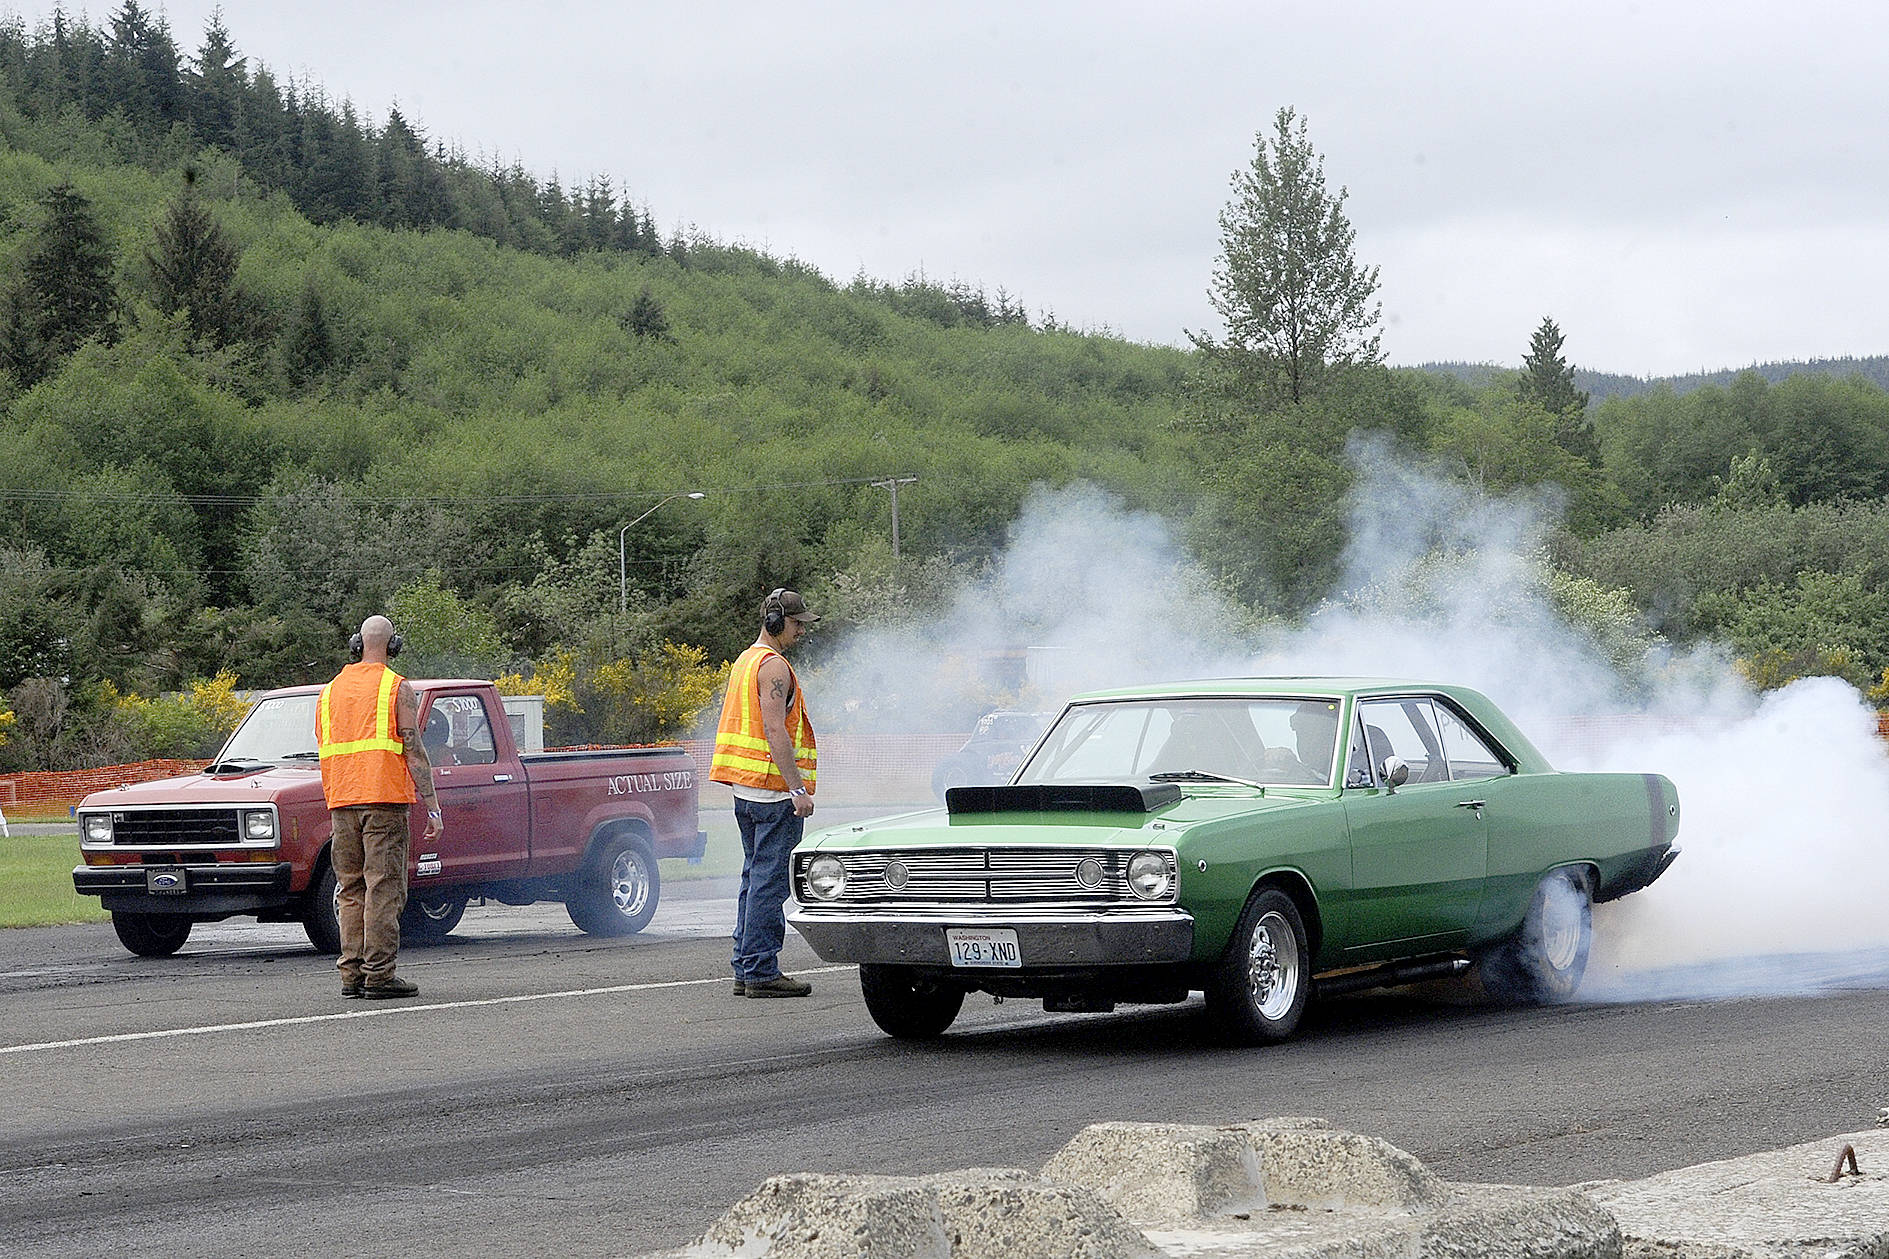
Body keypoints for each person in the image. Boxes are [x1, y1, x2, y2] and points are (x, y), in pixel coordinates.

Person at [316, 615, 443, 1000]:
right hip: (384, 803)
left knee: (350, 889)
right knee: (383, 889)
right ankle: (379, 975)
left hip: (341, 802)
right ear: (393, 645)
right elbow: (413, 747)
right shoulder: (395, 687)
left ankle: (351, 975)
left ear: (357, 644)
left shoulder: (330, 691)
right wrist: (433, 805)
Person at [709, 588, 820, 998]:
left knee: (753, 878)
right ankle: (760, 970)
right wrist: (798, 789)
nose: (801, 632)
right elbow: (775, 730)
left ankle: (745, 966)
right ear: (775, 622)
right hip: (774, 792)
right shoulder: (774, 667)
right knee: (770, 883)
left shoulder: (745, 660)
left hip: (746, 789)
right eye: (796, 624)